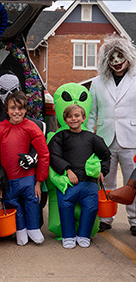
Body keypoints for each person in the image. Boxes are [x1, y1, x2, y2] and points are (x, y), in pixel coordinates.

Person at [86, 34, 136, 235]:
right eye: (112, 58)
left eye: (120, 56)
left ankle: (134, 220)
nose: (116, 61)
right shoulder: (97, 83)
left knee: (132, 183)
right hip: (104, 140)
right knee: (105, 180)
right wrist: (89, 140)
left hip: (131, 139)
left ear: (128, 56)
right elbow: (91, 114)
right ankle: (105, 218)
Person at [0, 91, 50, 246]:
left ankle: (33, 228)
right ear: (6, 110)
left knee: (32, 200)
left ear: (26, 110)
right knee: (11, 202)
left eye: (20, 108)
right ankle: (20, 229)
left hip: (28, 177)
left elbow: (43, 155)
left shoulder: (31, 127)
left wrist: (39, 181)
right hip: (8, 179)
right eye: (13, 108)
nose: (16, 112)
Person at [49, 105, 111, 249]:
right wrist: (67, 170)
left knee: (90, 208)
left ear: (83, 118)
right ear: (65, 119)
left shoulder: (93, 138)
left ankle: (84, 235)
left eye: (77, 116)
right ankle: (68, 236)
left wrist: (103, 170)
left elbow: (106, 155)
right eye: (70, 116)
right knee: (65, 206)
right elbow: (53, 155)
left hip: (89, 182)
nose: (73, 119)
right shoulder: (60, 137)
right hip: (68, 182)